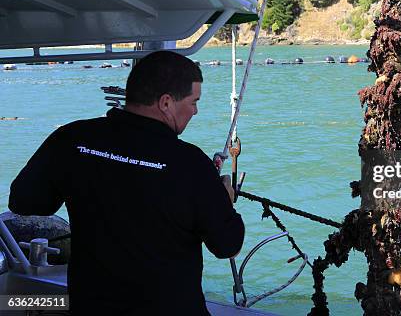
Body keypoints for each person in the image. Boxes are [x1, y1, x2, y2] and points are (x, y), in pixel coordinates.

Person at [9, 51, 244, 316]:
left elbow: (23, 201)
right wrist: (224, 200)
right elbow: (227, 245)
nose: (196, 111)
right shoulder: (191, 164)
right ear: (166, 103)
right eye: (194, 101)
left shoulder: (72, 138)